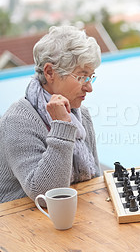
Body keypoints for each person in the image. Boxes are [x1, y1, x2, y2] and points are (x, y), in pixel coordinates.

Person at [0, 25, 101, 203]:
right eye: (81, 76)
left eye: (91, 76)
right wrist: (62, 125)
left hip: (72, 215)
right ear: (49, 72)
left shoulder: (81, 114)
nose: (90, 87)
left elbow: (95, 181)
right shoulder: (16, 122)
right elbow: (46, 196)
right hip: (18, 221)